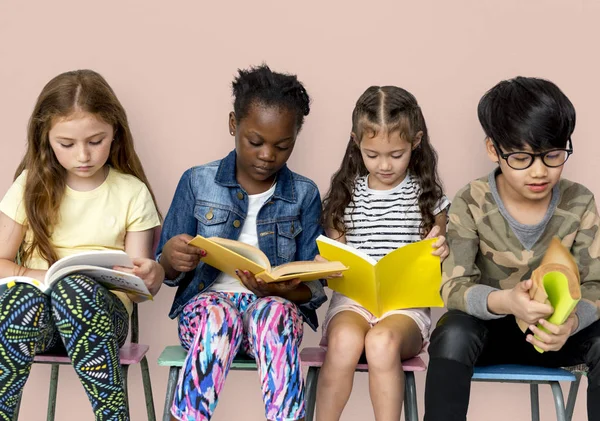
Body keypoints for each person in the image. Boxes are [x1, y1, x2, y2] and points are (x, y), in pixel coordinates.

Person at [424, 76, 600, 421]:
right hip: (491, 331)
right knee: (452, 331)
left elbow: (595, 285)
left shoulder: (580, 201)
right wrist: (506, 301)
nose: (539, 171)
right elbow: (454, 288)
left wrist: (572, 323)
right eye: (521, 157)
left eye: (553, 155)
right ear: (494, 150)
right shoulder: (472, 200)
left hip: (558, 335)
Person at [156, 64, 326, 421]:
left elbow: (313, 288)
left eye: (283, 146)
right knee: (220, 315)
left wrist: (280, 291)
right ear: (234, 124)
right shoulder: (197, 182)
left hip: (273, 314)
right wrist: (172, 256)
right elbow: (165, 270)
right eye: (256, 142)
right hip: (207, 314)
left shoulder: (304, 195)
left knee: (274, 313)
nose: (268, 155)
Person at [0, 69, 163, 421]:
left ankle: (112, 416)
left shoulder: (131, 192)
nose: (83, 156)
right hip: (36, 322)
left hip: (103, 318)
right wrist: (42, 277)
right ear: (46, 139)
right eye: (67, 144)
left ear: (115, 134)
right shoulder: (29, 186)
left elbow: (136, 287)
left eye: (96, 141)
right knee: (15, 297)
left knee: (75, 290)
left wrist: (150, 274)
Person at [317, 86, 449, 421]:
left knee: (381, 342)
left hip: (404, 310)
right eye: (373, 155)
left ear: (416, 142)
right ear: (356, 142)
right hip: (353, 304)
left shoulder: (428, 199)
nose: (385, 165)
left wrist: (442, 249)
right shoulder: (344, 197)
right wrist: (327, 265)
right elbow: (337, 258)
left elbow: (437, 256)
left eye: (397, 154)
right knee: (345, 341)